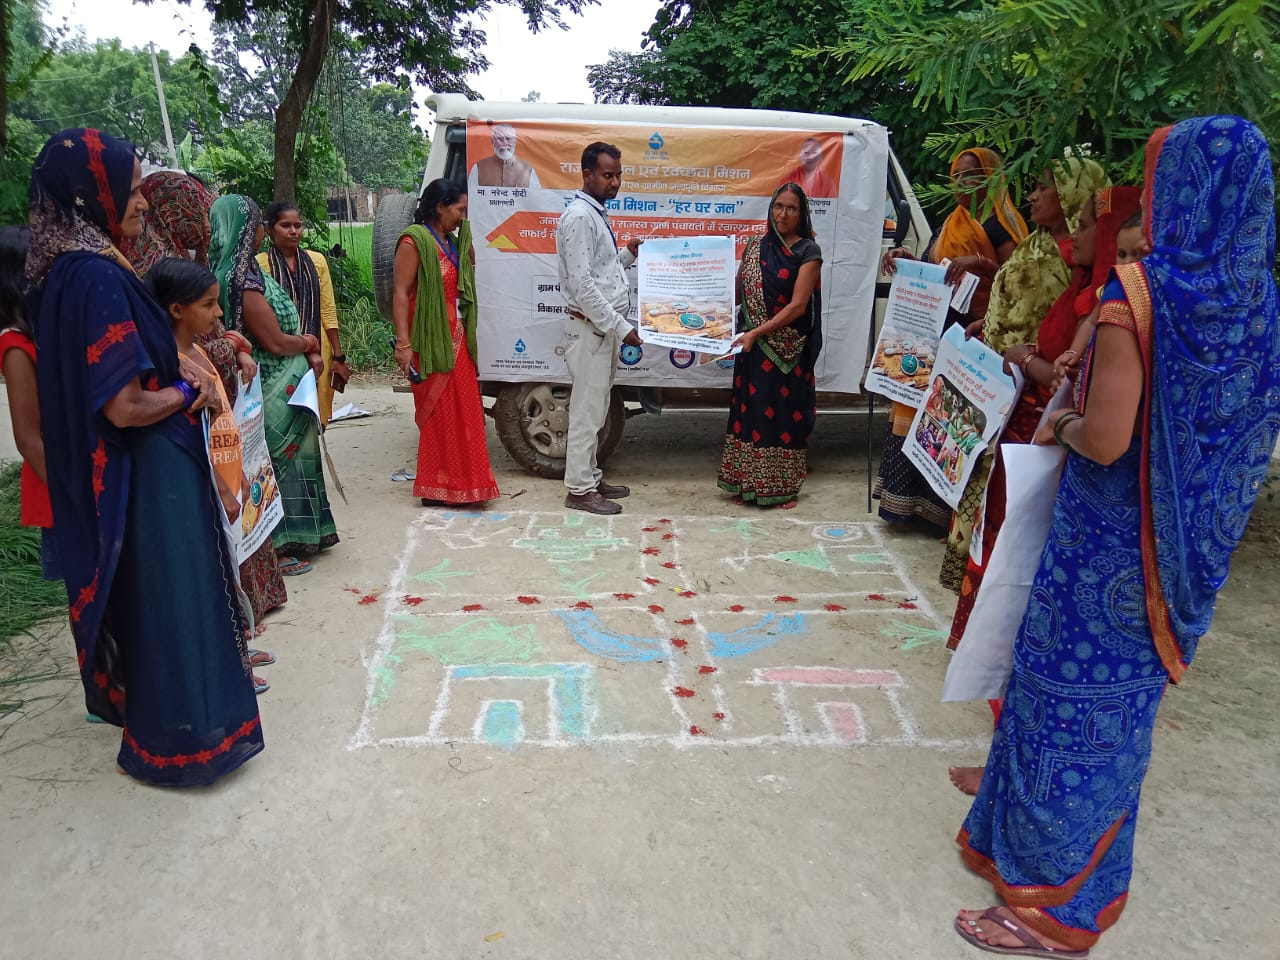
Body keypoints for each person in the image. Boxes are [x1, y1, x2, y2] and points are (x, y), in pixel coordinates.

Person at [953, 115, 1280, 958]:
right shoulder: (1257, 301)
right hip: (1179, 556)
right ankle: (1021, 842)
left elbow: (1104, 440)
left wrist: (1060, 419)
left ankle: (1055, 912)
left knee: (1065, 708)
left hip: (1104, 545)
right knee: (1119, 716)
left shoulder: (1137, 294)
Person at [28, 128, 262, 785]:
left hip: (139, 475)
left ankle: (175, 731)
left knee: (162, 605)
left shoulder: (69, 270)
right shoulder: (98, 276)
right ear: (90, 193)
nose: (142, 203)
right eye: (130, 191)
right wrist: (189, 392)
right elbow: (125, 405)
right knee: (178, 600)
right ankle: (192, 743)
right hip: (153, 476)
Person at [946, 184, 1142, 797]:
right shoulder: (1089, 295)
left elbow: (1082, 404)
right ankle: (1009, 753)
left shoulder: (1116, 310)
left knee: (1026, 604)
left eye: (1088, 225)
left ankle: (1018, 765)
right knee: (1009, 590)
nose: (1077, 235)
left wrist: (1042, 383)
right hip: (1036, 447)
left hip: (1059, 463)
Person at [940, 155, 1108, 591]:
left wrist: (1025, 359)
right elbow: (1017, 304)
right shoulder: (1036, 243)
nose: (1032, 196)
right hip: (996, 385)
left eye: (1043, 188)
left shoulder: (1080, 264)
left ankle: (992, 611)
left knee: (1008, 510)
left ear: (1071, 196)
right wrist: (990, 324)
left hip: (1031, 405)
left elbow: (1062, 346)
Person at [876, 147, 1027, 534]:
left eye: (971, 175)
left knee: (956, 424)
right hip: (937, 333)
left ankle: (942, 515)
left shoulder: (998, 225)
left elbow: (1020, 280)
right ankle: (908, 505)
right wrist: (907, 259)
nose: (961, 183)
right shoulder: (952, 221)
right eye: (956, 175)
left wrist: (981, 263)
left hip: (977, 336)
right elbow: (938, 271)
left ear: (990, 178)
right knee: (924, 413)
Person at [145, 256, 279, 689]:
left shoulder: (196, 353)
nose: (219, 313)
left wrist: (236, 476)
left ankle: (235, 650)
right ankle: (225, 666)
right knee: (206, 582)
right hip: (201, 490)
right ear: (176, 309)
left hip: (224, 479)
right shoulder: (167, 367)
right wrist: (220, 486)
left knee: (225, 574)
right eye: (208, 305)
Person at [209, 194, 338, 574]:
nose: (261, 233)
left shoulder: (246, 270)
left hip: (289, 383)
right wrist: (309, 343)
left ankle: (306, 534)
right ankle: (279, 545)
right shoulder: (240, 280)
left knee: (295, 462)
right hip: (271, 387)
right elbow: (275, 342)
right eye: (258, 226)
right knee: (278, 464)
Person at [391, 178, 499, 506]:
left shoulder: (451, 241)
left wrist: (466, 244)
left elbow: (467, 273)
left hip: (458, 337)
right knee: (439, 413)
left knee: (465, 411)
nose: (463, 216)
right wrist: (403, 344)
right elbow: (401, 293)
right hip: (430, 341)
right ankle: (435, 487)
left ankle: (467, 484)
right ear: (440, 207)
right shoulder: (413, 241)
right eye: (459, 209)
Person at [717, 182, 823, 508]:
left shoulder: (808, 251)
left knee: (782, 417)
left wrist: (757, 332)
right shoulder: (754, 247)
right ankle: (746, 483)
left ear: (801, 214)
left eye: (791, 208)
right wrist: (706, 312)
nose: (783, 214)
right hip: (751, 349)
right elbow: (738, 292)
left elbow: (798, 306)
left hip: (787, 351)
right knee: (749, 414)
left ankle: (782, 488)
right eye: (779, 206)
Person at [556, 141, 643, 516]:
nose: (615, 182)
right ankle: (578, 489)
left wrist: (627, 255)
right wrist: (621, 327)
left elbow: (601, 272)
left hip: (600, 330)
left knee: (598, 408)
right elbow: (583, 286)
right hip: (591, 329)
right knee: (587, 412)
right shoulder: (580, 217)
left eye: (619, 175)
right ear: (587, 173)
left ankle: (590, 476)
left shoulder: (594, 213)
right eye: (608, 175)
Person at [258, 201, 350, 425]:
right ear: (270, 229)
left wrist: (338, 357)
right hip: (280, 350)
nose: (293, 231)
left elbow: (328, 309)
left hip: (319, 348)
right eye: (285, 225)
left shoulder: (317, 261)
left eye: (297, 225)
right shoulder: (260, 265)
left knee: (317, 415)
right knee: (283, 416)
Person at [0, 226, 57, 579]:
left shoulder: (43, 331)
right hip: (60, 486)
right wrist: (72, 494)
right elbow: (29, 439)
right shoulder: (16, 347)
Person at [119, 170, 215, 276]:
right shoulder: (160, 266)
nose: (208, 225)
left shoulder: (171, 249)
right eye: (200, 213)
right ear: (171, 212)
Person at [473, 123, 540, 188]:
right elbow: (471, 193)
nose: (505, 143)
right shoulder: (479, 167)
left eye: (508, 139)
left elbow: (536, 194)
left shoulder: (528, 169)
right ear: (492, 141)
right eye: (499, 139)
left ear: (515, 141)